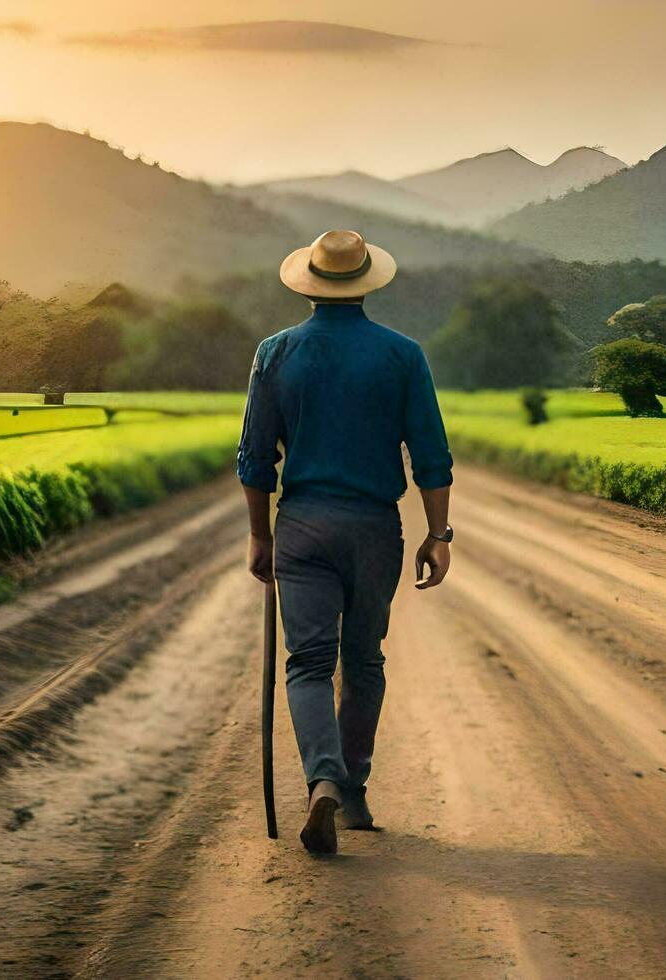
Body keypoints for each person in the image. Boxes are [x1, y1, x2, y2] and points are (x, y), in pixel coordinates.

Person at [237, 230, 454, 855]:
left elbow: (255, 460)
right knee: (363, 661)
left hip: (302, 524)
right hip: (373, 527)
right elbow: (431, 458)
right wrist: (438, 535)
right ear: (366, 280)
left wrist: (260, 536)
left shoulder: (275, 354)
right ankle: (353, 788)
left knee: (307, 664)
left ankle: (323, 778)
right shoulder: (402, 355)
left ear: (309, 282)